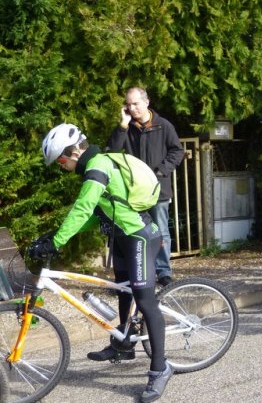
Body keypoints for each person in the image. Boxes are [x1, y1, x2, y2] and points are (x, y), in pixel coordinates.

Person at [34, 124, 171, 402]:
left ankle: (160, 368)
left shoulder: (97, 167)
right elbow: (96, 216)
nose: (61, 167)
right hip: (121, 236)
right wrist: (54, 235)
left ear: (73, 152)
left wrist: (58, 241)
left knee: (145, 302)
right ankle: (124, 345)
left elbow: (82, 207)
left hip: (139, 237)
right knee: (123, 290)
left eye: (60, 160)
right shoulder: (94, 167)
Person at [107, 87, 184, 287]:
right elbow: (112, 152)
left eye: (136, 104)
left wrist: (160, 172)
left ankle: (163, 272)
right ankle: (141, 272)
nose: (132, 108)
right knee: (137, 231)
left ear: (146, 102)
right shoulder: (127, 128)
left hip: (158, 191)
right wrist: (122, 126)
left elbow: (177, 151)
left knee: (161, 231)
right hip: (133, 193)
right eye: (129, 105)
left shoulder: (163, 126)